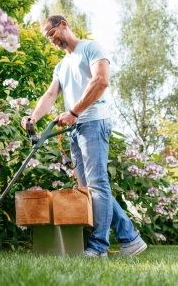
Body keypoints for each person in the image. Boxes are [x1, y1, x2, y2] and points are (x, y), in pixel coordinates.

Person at [21, 15, 147, 257]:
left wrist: (73, 112)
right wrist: (33, 118)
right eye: (47, 37)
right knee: (89, 187)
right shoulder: (62, 65)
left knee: (98, 184)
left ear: (64, 25)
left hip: (93, 122)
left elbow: (101, 81)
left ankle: (99, 246)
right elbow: (50, 95)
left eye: (52, 33)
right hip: (75, 128)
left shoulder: (91, 48)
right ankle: (130, 238)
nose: (51, 39)